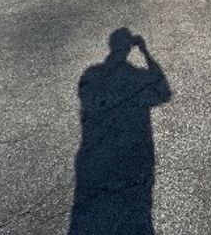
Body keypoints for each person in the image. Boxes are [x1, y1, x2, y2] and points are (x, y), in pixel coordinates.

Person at [69, 28, 172, 235]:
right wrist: (145, 53)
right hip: (135, 145)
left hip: (92, 152)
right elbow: (164, 94)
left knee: (89, 211)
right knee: (140, 203)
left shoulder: (91, 73)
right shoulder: (134, 74)